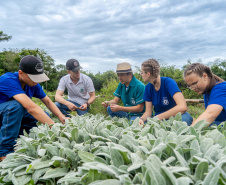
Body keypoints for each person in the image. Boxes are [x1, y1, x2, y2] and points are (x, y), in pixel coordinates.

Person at [0, 55, 66, 161]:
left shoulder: (32, 84)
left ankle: (20, 141)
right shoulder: (7, 80)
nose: (37, 81)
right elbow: (31, 107)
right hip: (4, 115)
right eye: (33, 78)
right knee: (17, 106)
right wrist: (54, 128)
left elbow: (48, 101)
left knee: (44, 115)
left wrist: (61, 116)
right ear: (21, 73)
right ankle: (4, 152)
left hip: (12, 118)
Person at [139, 58, 193, 126]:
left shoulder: (169, 82)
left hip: (175, 116)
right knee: (144, 125)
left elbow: (182, 106)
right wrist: (141, 119)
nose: (141, 74)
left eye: (142, 72)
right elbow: (148, 113)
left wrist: (159, 117)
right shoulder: (147, 88)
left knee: (184, 120)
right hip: (159, 119)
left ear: (148, 74)